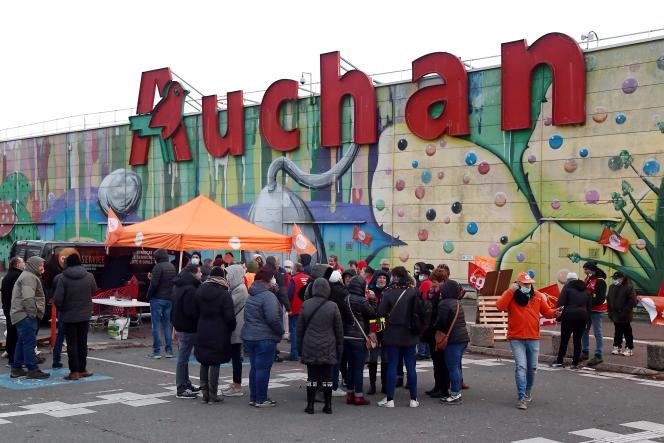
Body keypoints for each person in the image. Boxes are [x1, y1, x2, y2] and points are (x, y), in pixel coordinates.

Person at [496, 272, 561, 410]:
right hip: (516, 337)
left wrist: (555, 312)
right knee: (521, 367)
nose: (528, 286)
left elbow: (547, 312)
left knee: (532, 368)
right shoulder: (511, 295)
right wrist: (511, 290)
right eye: (525, 284)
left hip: (533, 337)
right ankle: (521, 397)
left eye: (529, 283)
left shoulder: (537, 295)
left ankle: (527, 390)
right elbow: (500, 306)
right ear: (518, 284)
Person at [377, 266, 424, 408]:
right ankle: (413, 399)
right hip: (410, 334)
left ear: (396, 277)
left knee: (392, 366)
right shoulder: (414, 292)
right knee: (411, 367)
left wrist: (379, 334)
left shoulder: (388, 293)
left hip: (392, 334)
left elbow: (380, 314)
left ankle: (390, 399)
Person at [297, 278, 344, 414]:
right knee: (327, 377)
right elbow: (339, 330)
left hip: (310, 344)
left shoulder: (306, 304)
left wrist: (299, 349)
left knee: (311, 377)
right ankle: (328, 405)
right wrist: (339, 350)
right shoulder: (333, 306)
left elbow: (300, 329)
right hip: (328, 345)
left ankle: (310, 406)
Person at [242, 267, 284, 408]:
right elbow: (273, 318)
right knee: (263, 369)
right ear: (267, 280)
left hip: (250, 336)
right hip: (265, 337)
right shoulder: (268, 296)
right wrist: (280, 331)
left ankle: (254, 397)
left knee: (255, 368)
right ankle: (261, 398)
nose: (274, 280)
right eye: (272, 277)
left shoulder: (252, 294)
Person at [194, 266, 236, 403]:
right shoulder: (224, 293)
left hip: (202, 327)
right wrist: (231, 327)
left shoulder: (200, 290)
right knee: (215, 361)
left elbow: (195, 310)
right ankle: (213, 394)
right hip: (219, 329)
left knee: (204, 361)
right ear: (222, 277)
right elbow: (229, 316)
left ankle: (204, 393)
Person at [53, 254, 97, 380]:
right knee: (82, 343)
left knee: (71, 344)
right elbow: (94, 290)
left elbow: (58, 299)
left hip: (69, 316)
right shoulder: (89, 276)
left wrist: (62, 310)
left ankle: (74, 372)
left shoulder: (63, 278)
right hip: (85, 315)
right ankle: (83, 369)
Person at [10, 256, 49, 379]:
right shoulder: (29, 277)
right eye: (40, 265)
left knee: (22, 342)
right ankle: (32, 369)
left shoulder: (28, 275)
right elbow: (28, 298)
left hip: (20, 314)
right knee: (29, 343)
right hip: (25, 315)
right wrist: (33, 314)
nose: (42, 268)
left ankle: (16, 369)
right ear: (33, 265)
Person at [343, 276, 376, 406]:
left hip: (346, 336)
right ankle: (359, 396)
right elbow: (373, 314)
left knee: (350, 367)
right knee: (358, 368)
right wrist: (372, 300)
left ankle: (350, 394)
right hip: (358, 337)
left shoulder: (346, 298)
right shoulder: (362, 301)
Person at [170, 263, 202, 399]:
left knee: (184, 357)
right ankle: (181, 387)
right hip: (188, 326)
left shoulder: (179, 284)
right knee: (183, 358)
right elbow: (190, 310)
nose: (201, 274)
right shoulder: (190, 288)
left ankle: (186, 383)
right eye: (200, 272)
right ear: (193, 273)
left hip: (180, 324)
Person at [436, 279, 469, 405]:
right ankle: (457, 391)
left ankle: (455, 394)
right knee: (457, 366)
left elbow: (442, 322)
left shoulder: (444, 303)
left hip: (453, 339)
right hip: (462, 338)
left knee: (453, 367)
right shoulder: (457, 302)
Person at [552, 272, 590, 369]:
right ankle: (575, 363)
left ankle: (560, 361)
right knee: (577, 341)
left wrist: (558, 318)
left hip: (568, 317)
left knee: (564, 340)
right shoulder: (585, 289)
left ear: (568, 280)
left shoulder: (567, 288)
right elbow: (589, 306)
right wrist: (587, 320)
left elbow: (561, 303)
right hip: (582, 317)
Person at [422, 268, 449, 398]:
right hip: (432, 331)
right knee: (436, 360)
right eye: (433, 281)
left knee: (441, 361)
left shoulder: (443, 295)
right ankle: (437, 386)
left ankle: (443, 388)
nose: (433, 284)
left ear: (442, 282)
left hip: (439, 332)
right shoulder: (432, 293)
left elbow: (441, 316)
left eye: (435, 282)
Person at [223, 264, 249, 397]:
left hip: (238, 328)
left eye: (229, 275)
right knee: (235, 357)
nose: (227, 278)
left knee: (236, 357)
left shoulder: (240, 289)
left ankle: (237, 386)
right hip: (236, 326)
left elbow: (229, 304)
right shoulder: (236, 288)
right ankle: (235, 383)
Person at [147, 248, 177, 359]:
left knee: (156, 325)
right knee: (167, 325)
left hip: (157, 298)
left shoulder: (158, 267)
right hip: (169, 299)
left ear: (157, 258)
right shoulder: (172, 267)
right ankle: (169, 351)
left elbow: (154, 284)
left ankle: (156, 351)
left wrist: (148, 295)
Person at [581, 261, 607, 366]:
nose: (585, 272)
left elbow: (600, 299)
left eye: (586, 269)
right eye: (584, 269)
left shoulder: (600, 281)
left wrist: (588, 303)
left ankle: (598, 355)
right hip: (587, 310)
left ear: (592, 270)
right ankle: (585, 352)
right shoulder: (588, 279)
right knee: (584, 330)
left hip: (596, 310)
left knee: (597, 332)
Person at [1, 257, 24, 370]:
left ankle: (10, 354)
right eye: (22, 262)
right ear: (18, 264)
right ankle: (14, 358)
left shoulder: (8, 275)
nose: (24, 264)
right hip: (14, 309)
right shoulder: (18, 276)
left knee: (11, 331)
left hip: (7, 307)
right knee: (16, 333)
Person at [607, 271, 637, 357]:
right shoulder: (611, 287)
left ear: (622, 279)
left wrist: (625, 311)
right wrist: (610, 312)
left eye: (617, 278)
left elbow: (632, 301)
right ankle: (617, 346)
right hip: (615, 314)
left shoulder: (629, 288)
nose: (615, 280)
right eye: (614, 278)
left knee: (627, 331)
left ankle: (629, 348)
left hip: (625, 314)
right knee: (617, 331)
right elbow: (609, 299)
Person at [287, 262, 309, 361]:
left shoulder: (294, 279)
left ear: (295, 269)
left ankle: (294, 354)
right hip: (308, 309)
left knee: (295, 331)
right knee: (306, 331)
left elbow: (289, 294)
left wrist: (288, 307)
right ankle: (305, 353)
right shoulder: (309, 278)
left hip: (296, 309)